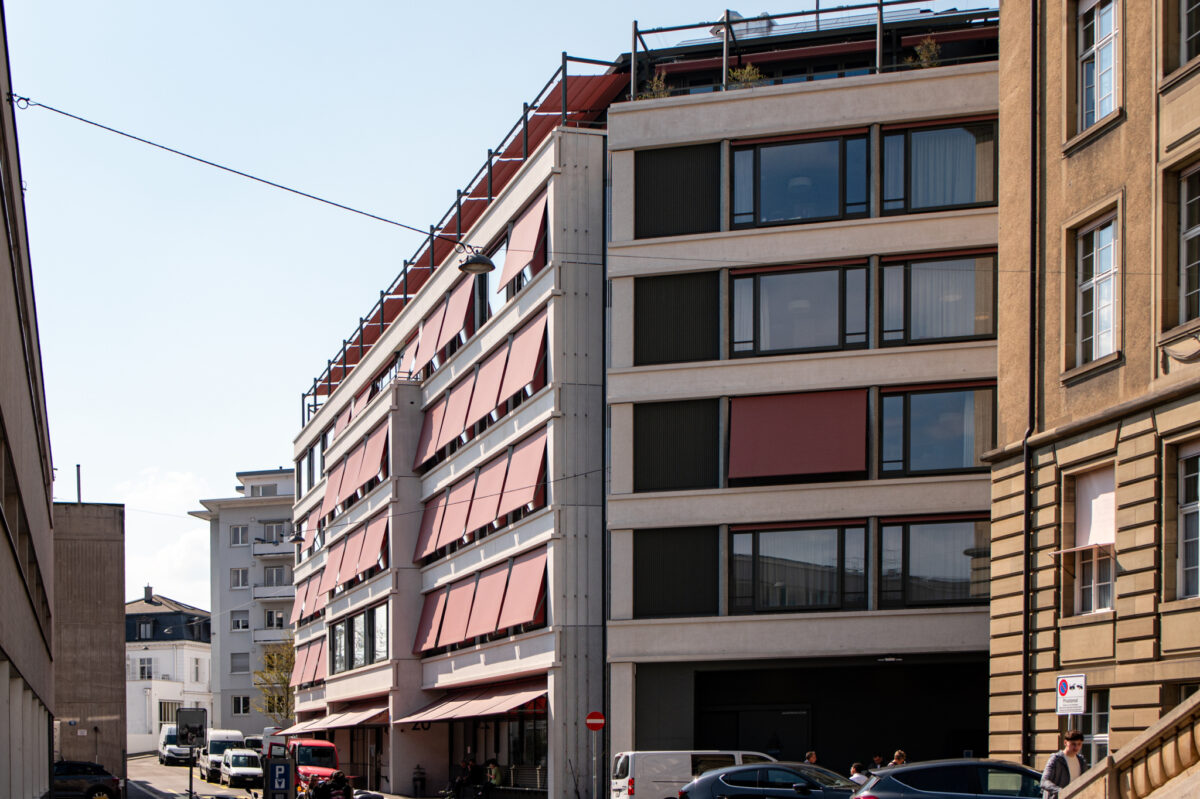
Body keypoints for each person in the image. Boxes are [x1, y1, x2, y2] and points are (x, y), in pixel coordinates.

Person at [1041, 730, 1088, 798]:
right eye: (1073, 744)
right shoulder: (1056, 759)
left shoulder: (1081, 761)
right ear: (1065, 742)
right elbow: (1044, 782)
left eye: (1079, 744)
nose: (1076, 747)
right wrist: (1062, 791)